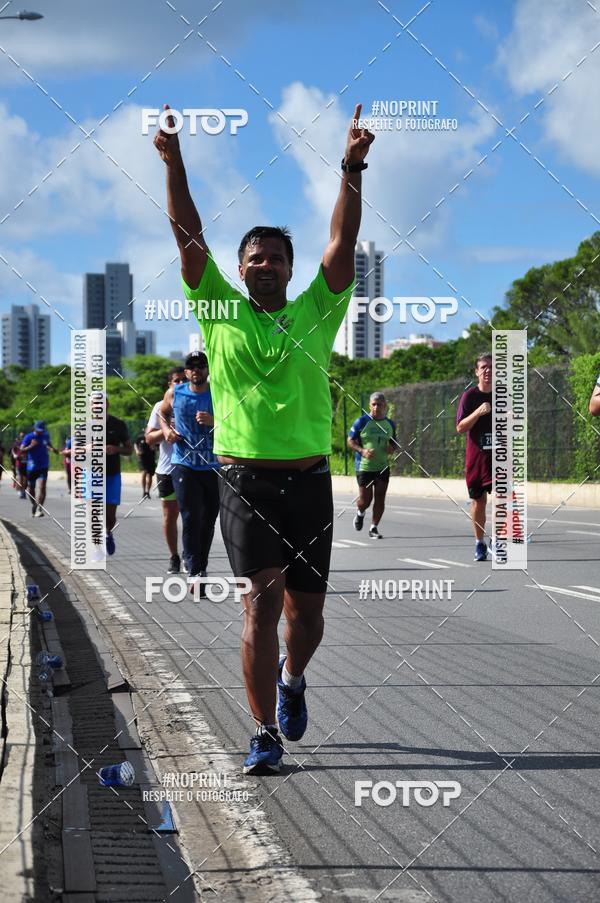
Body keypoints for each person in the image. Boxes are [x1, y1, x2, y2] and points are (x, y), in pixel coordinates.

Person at [155, 100, 374, 774]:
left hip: (308, 478)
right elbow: (188, 235)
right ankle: (262, 734)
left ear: (289, 266)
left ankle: (292, 679)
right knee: (261, 602)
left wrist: (351, 169)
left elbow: (340, 242)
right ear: (241, 267)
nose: (265, 264)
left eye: (276, 257)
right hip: (244, 478)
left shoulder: (319, 306)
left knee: (305, 619)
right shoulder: (218, 310)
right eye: (255, 257)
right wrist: (174, 161)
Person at [159, 352, 219, 585]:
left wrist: (215, 421)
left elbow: (236, 420)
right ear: (186, 372)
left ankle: (200, 564)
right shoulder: (175, 392)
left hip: (212, 465)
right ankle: (194, 569)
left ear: (207, 369)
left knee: (209, 518)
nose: (197, 370)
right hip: (184, 464)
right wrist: (166, 432)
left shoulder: (219, 393)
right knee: (191, 516)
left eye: (201, 366)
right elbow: (162, 413)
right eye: (192, 367)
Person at [145, 366, 187, 573]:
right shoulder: (160, 407)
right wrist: (167, 430)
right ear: (169, 385)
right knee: (170, 516)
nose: (180, 385)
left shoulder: (196, 402)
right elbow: (149, 438)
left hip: (191, 469)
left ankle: (191, 555)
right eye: (176, 381)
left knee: (192, 515)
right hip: (167, 470)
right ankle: (174, 556)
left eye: (183, 380)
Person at [456, 354, 493, 561]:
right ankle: (480, 543)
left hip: (499, 457)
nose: (488, 370)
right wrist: (478, 412)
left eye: (491, 367)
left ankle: (498, 541)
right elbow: (460, 427)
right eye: (484, 367)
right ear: (477, 371)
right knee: (479, 502)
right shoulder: (469, 397)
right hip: (477, 458)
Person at [347, 392, 396, 539]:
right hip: (365, 467)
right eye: (373, 404)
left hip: (382, 466)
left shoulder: (390, 424)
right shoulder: (361, 422)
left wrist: (391, 448)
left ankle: (373, 528)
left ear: (384, 406)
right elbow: (350, 440)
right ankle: (360, 513)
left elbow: (394, 442)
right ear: (369, 405)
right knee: (365, 501)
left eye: (379, 404)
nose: (376, 407)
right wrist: (362, 451)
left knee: (380, 498)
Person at [104, 398, 133, 555]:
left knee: (110, 515)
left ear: (107, 404)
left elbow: (129, 450)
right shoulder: (83, 426)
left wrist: (115, 449)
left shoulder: (118, 424)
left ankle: (108, 533)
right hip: (91, 475)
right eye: (94, 403)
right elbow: (74, 452)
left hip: (112, 474)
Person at [20, 421, 59, 517]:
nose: (40, 432)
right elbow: (21, 449)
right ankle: (34, 504)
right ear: (34, 428)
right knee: (31, 488)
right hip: (32, 467)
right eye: (38, 430)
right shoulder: (28, 437)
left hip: (43, 465)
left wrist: (53, 449)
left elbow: (48, 444)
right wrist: (31, 446)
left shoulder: (45, 435)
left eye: (42, 430)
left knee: (42, 487)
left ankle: (39, 508)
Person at [134, 430, 157, 500]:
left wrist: (154, 447)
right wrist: (137, 450)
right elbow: (135, 444)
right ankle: (144, 491)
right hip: (142, 458)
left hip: (151, 458)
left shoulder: (154, 437)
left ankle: (147, 492)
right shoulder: (140, 437)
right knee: (144, 473)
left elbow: (158, 446)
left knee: (150, 475)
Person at [11, 432, 27, 497]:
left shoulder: (27, 443)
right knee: (20, 478)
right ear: (20, 437)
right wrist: (14, 454)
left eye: (23, 436)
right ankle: (20, 491)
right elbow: (12, 450)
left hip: (26, 463)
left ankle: (24, 490)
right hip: (19, 463)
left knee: (26, 480)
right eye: (21, 436)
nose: (22, 437)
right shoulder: (17, 444)